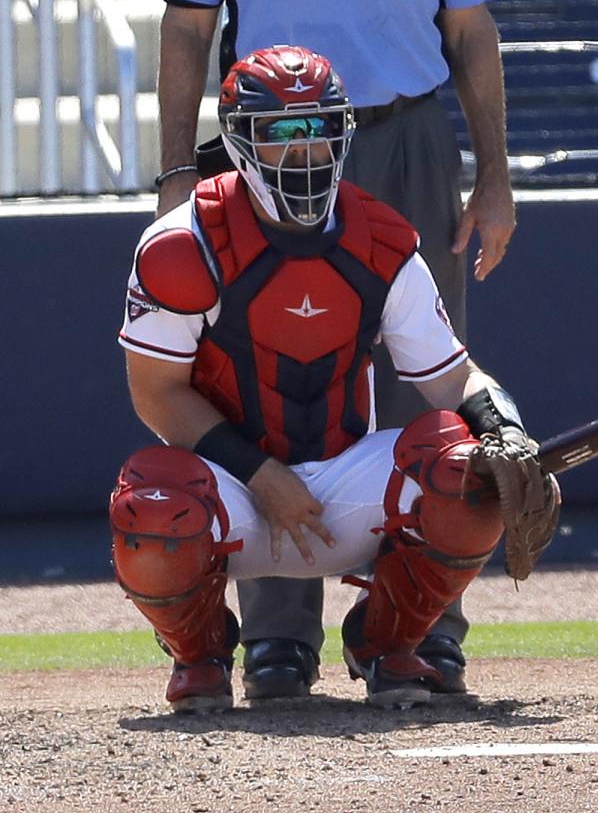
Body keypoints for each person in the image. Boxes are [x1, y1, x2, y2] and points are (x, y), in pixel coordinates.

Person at [155, 0, 516, 702]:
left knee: (425, 385)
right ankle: (276, 638)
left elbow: (470, 33)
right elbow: (186, 26)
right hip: (265, 151)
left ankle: (420, 622)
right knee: (271, 387)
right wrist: (180, 174)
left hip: (406, 140)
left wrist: (495, 177)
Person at [114, 44, 558, 714]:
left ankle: (386, 641)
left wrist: (508, 431)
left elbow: (451, 377)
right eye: (286, 132)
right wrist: (265, 477)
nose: (307, 150)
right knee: (150, 502)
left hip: (342, 484)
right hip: (232, 489)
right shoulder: (184, 243)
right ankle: (201, 657)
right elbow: (156, 395)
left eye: (322, 128)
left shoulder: (381, 238)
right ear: (239, 140)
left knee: (465, 467)